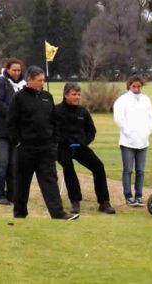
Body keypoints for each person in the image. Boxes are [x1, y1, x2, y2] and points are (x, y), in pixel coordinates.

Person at [7, 65, 77, 220]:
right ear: (29, 80)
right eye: (39, 80)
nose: (42, 83)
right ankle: (20, 214)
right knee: (22, 183)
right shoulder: (18, 98)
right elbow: (11, 123)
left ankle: (58, 213)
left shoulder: (47, 96)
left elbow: (54, 120)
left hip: (46, 148)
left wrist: (54, 141)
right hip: (25, 149)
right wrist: (17, 142)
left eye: (43, 80)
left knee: (50, 181)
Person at [55, 82, 116, 215]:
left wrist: (83, 142)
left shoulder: (83, 111)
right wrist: (65, 142)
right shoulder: (56, 111)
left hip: (80, 147)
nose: (77, 97)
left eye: (78, 94)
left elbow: (91, 131)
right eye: (74, 94)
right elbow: (53, 132)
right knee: (68, 167)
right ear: (66, 95)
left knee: (98, 166)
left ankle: (104, 202)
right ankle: (75, 201)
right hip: (62, 148)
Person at [0, 58, 26, 205]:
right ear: (7, 69)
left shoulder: (23, 84)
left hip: (14, 131)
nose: (16, 73)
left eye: (19, 70)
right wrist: (13, 114)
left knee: (13, 164)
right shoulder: (0, 82)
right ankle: (0, 194)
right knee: (2, 162)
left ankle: (12, 194)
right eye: (13, 70)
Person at [113, 75, 152, 207]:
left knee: (140, 171)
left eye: (139, 86)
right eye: (134, 86)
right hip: (127, 142)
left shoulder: (146, 100)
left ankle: (139, 196)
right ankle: (128, 196)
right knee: (128, 170)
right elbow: (119, 120)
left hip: (143, 141)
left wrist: (147, 133)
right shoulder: (122, 100)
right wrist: (129, 134)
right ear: (129, 86)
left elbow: (150, 119)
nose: (136, 89)